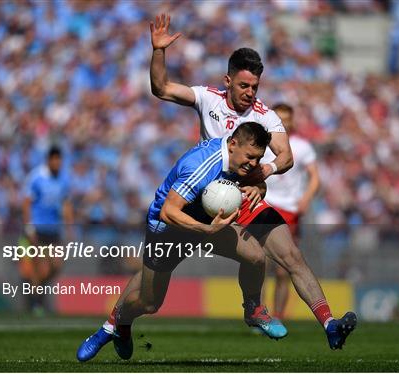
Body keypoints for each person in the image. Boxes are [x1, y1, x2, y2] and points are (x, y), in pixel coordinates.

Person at [148, 14, 355, 351]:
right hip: (204, 201)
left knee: (291, 256)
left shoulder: (264, 114)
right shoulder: (207, 98)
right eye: (243, 86)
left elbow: (285, 156)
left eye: (254, 87)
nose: (249, 93)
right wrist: (158, 51)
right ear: (228, 80)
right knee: (150, 294)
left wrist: (266, 172)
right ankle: (118, 322)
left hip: (245, 199)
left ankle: (329, 324)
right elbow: (162, 88)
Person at [77, 123, 280, 362]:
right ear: (233, 144)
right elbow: (168, 212)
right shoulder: (202, 166)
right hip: (167, 230)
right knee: (150, 303)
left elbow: (258, 183)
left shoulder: (241, 158)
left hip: (204, 222)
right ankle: (114, 325)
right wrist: (207, 228)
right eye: (250, 157)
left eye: (258, 159)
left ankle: (253, 309)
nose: (254, 164)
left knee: (256, 256)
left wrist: (259, 187)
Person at [262, 103, 321, 321]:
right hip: (265, 205)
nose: (284, 122)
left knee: (282, 270)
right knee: (259, 263)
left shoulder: (302, 146)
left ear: (292, 120)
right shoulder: (262, 144)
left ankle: (278, 316)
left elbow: (315, 176)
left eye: (287, 118)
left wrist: (305, 199)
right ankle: (261, 315)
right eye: (280, 118)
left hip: (289, 210)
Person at [21, 145, 73, 314]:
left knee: (57, 265)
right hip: (38, 229)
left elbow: (65, 204)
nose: (57, 163)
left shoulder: (63, 179)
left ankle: (36, 290)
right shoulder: (37, 177)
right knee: (40, 267)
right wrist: (29, 228)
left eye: (60, 160)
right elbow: (27, 203)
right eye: (55, 159)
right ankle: (36, 303)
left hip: (54, 229)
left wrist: (69, 227)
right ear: (49, 160)